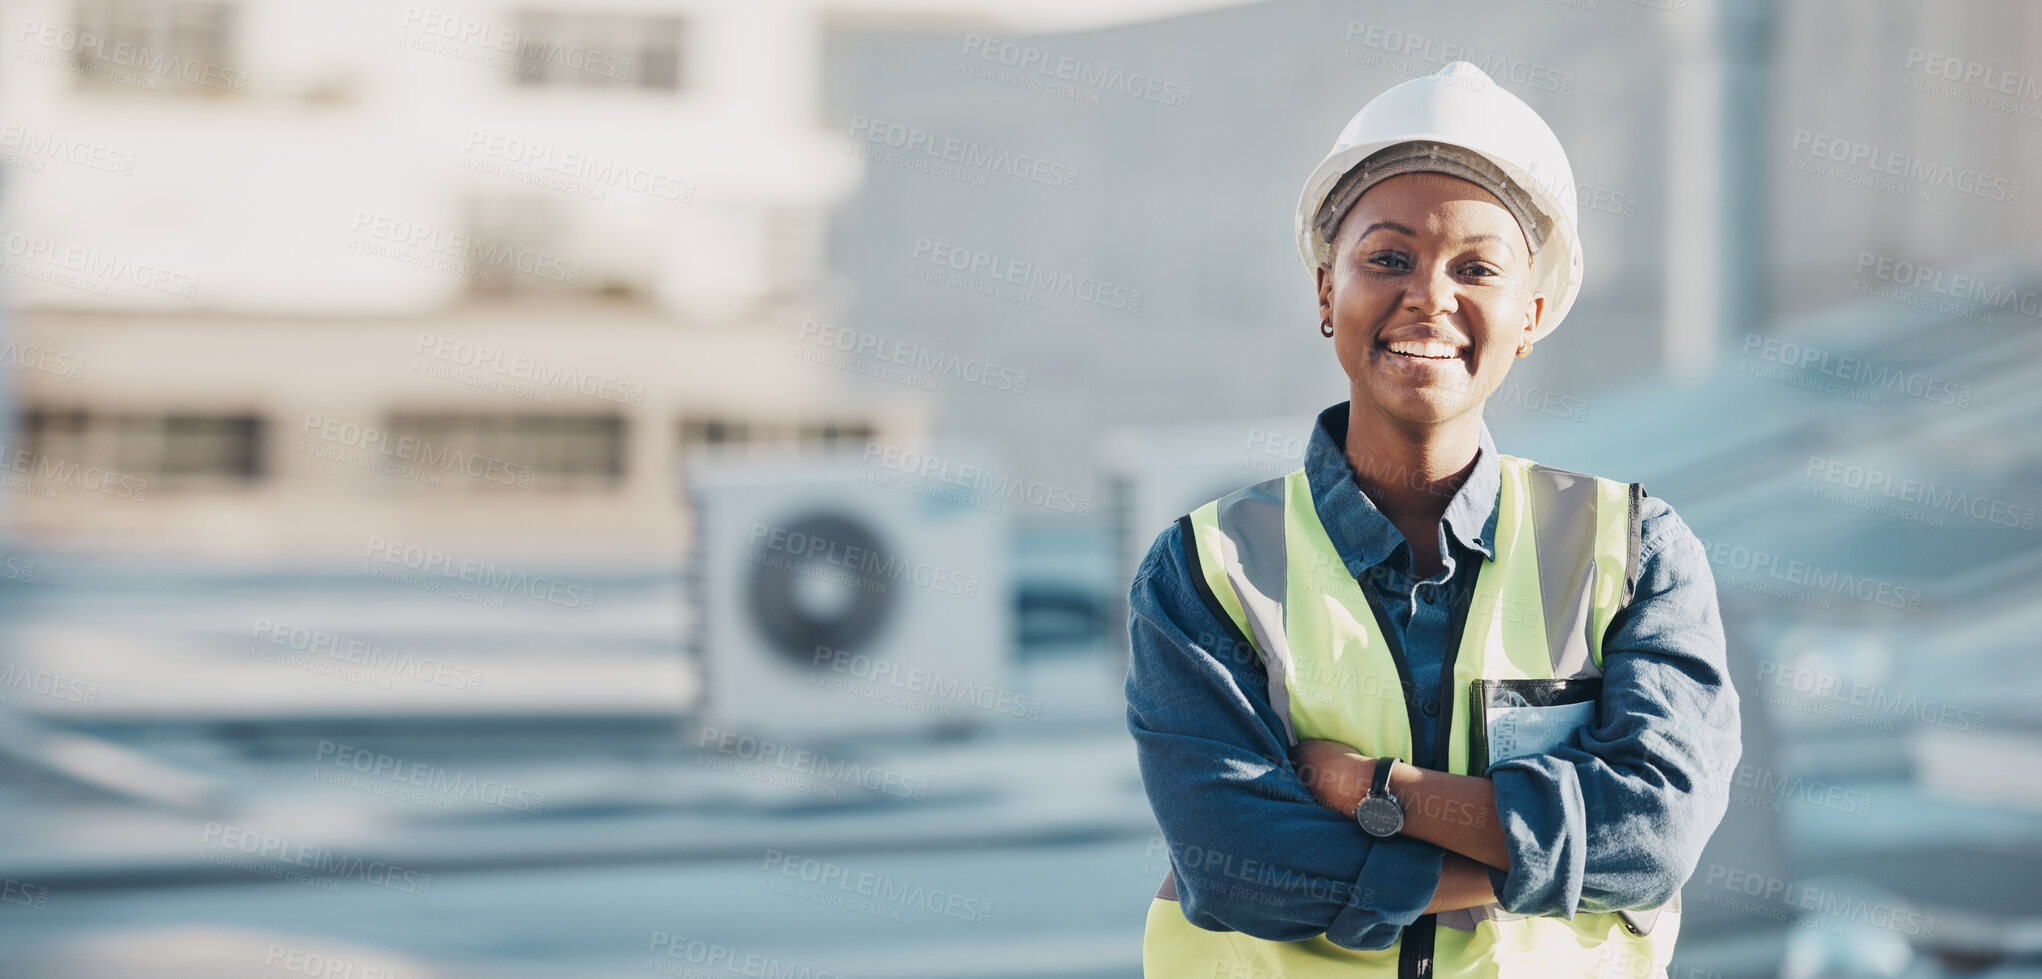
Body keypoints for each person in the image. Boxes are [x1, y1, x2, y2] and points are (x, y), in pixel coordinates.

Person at [1125, 62, 1742, 978]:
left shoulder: (1635, 552)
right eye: (1388, 257)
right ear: (1326, 291)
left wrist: (1378, 791)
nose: (1430, 296)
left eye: (1478, 268)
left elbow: (1650, 836)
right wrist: (1529, 856)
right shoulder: (1208, 567)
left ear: (1530, 314)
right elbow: (1234, 865)